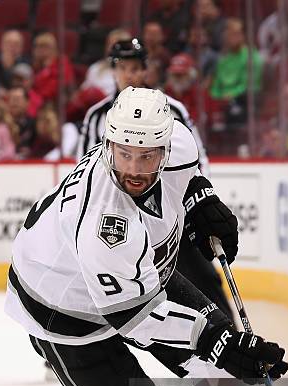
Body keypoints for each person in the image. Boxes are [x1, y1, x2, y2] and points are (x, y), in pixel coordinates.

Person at [5, 86, 288, 386]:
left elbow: (190, 176)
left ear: (164, 144)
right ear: (109, 143)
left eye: (147, 156)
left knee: (223, 377)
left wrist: (202, 201)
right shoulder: (103, 224)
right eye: (124, 154)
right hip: (65, 310)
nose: (134, 168)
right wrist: (217, 340)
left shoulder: (176, 140)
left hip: (144, 276)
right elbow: (134, 316)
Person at [77, 39, 231, 320]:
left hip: (168, 216)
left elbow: (197, 161)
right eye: (123, 68)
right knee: (95, 284)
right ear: (113, 71)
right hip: (117, 220)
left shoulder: (173, 111)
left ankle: (232, 341)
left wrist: (197, 202)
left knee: (204, 278)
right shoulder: (97, 116)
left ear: (146, 70)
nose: (129, 75)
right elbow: (83, 169)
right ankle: (76, 346)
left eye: (136, 68)